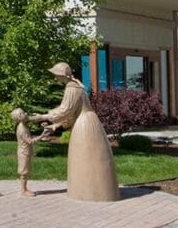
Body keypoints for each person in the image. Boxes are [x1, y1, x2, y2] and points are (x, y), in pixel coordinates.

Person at [28, 62, 118, 202]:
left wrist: (43, 116)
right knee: (88, 159)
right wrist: (56, 126)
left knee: (86, 158)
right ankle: (89, 191)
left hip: (84, 126)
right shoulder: (77, 86)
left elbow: (65, 110)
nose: (55, 78)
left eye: (56, 75)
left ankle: (89, 193)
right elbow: (72, 112)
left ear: (61, 75)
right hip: (87, 122)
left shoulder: (72, 88)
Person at [10, 107, 43, 197]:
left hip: (25, 151)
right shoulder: (22, 129)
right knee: (23, 171)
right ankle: (23, 191)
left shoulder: (23, 126)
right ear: (20, 117)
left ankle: (25, 188)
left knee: (26, 171)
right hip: (23, 152)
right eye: (23, 113)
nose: (26, 114)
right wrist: (43, 135)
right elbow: (30, 141)